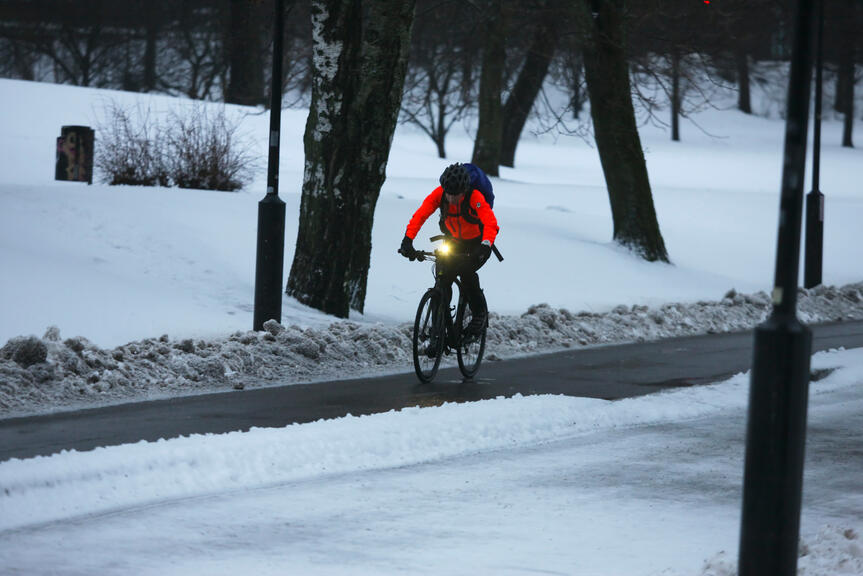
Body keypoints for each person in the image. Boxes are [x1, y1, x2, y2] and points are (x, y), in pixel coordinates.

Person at [399, 162, 499, 339]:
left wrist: (485, 245)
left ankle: (479, 314)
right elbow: (420, 215)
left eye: (456, 195)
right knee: (443, 276)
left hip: (478, 243)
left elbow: (490, 223)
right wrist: (408, 239)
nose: (451, 199)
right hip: (454, 240)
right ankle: (440, 323)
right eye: (449, 194)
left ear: (464, 190)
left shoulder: (475, 197)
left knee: (467, 272)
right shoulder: (439, 195)